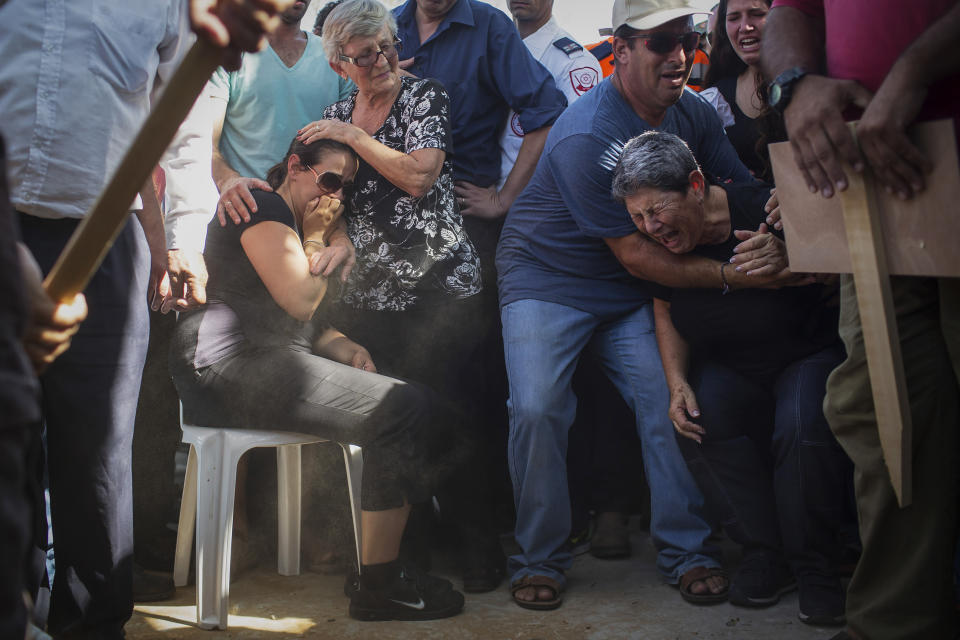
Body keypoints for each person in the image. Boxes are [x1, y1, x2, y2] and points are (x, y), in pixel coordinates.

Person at [0, 0, 290, 635]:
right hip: (3, 225)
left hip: (107, 237)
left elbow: (183, 130)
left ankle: (93, 624)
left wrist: (182, 239)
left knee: (96, 447)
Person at [496, 0, 797, 611]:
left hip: (627, 288)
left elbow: (740, 189)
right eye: (659, 43)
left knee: (671, 404)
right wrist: (739, 275)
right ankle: (540, 557)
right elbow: (639, 256)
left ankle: (689, 551)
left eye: (686, 38)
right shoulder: (586, 131)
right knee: (537, 408)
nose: (679, 55)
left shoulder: (694, 115)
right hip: (547, 275)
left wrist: (777, 221)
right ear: (622, 51)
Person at [171, 135, 468, 622]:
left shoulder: (286, 217)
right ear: (294, 166)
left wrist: (342, 345)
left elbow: (296, 320)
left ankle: (382, 570)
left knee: (421, 406)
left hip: (261, 361)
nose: (334, 197)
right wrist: (316, 237)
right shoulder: (262, 206)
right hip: (225, 367)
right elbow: (299, 299)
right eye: (329, 180)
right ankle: (379, 584)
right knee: (404, 411)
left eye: (345, 188)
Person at [762, 2, 960, 638]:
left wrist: (915, 69)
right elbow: (791, 9)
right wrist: (793, 84)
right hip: (867, 182)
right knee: (882, 410)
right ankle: (893, 622)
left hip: (948, 140)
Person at [613, 130, 850, 626]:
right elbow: (664, 305)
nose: (651, 227)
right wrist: (676, 382)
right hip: (730, 363)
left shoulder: (763, 206)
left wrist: (796, 255)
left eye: (657, 210)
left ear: (695, 185)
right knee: (703, 417)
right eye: (637, 218)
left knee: (803, 426)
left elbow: (841, 264)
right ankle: (765, 554)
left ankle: (817, 568)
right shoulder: (666, 243)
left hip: (802, 353)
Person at [301, 0, 497, 592]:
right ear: (341, 64)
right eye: (365, 56)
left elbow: (419, 175)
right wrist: (338, 238)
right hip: (372, 302)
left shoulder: (423, 97)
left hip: (441, 294)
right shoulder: (335, 114)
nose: (382, 61)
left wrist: (353, 134)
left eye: (386, 46)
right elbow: (327, 199)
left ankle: (477, 546)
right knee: (396, 428)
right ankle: (404, 554)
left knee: (455, 420)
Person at [699, 0, 773, 180]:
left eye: (757, 14)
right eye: (733, 18)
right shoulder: (716, 99)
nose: (745, 27)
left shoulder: (813, 80)